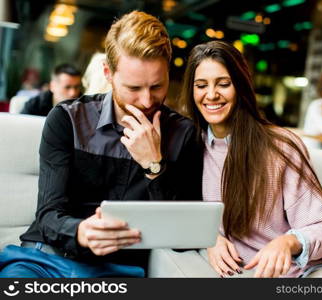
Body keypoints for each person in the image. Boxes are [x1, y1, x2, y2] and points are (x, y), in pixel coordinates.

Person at [0, 10, 202, 278]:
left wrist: (154, 166)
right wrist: (81, 231)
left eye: (157, 86)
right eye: (133, 88)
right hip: (45, 259)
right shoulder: (67, 120)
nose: (146, 100)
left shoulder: (183, 134)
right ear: (108, 72)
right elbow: (48, 215)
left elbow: (183, 234)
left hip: (118, 271)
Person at [180, 41, 322, 278]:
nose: (211, 95)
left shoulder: (280, 146)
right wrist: (210, 238)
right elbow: (180, 213)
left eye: (223, 84)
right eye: (201, 85)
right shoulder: (190, 146)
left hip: (308, 270)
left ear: (241, 87)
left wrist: (287, 242)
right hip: (248, 272)